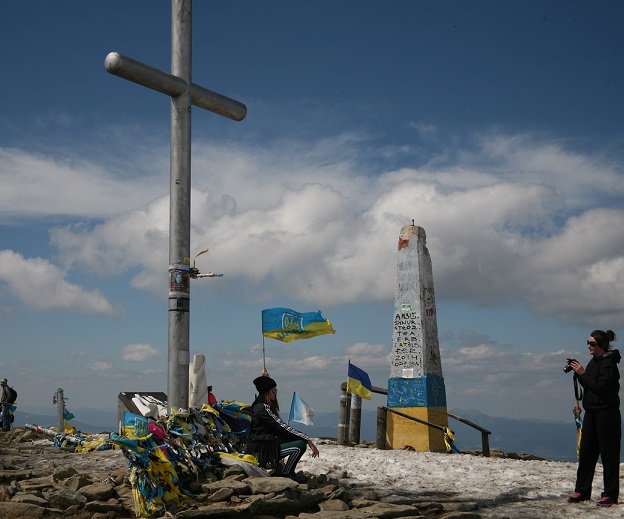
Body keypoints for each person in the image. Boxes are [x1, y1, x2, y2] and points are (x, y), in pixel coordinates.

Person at [567, 330, 620, 507]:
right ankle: (582, 491)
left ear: (601, 346)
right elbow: (590, 385)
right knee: (587, 453)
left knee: (608, 454)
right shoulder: (595, 362)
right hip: (592, 412)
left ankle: (610, 494)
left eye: (592, 344)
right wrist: (579, 374)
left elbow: (601, 387)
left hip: (607, 414)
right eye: (588, 343)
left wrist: (582, 372)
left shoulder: (609, 364)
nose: (589, 346)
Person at [246, 370, 319, 481]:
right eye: (273, 390)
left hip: (265, 443)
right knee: (299, 445)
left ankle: (287, 472)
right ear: (267, 392)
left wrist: (267, 379)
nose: (275, 393)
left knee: (296, 439)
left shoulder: (260, 405)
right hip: (264, 449)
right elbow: (281, 427)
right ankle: (288, 474)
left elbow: (276, 418)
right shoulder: (263, 409)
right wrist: (307, 439)